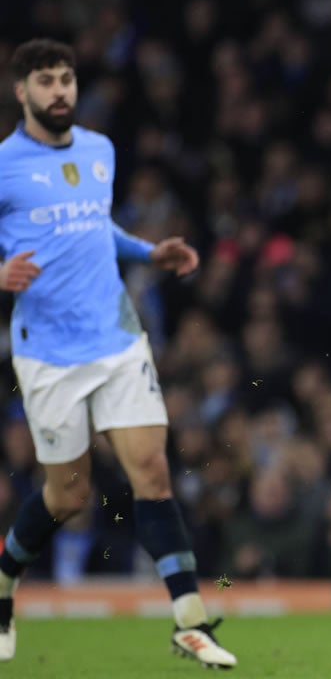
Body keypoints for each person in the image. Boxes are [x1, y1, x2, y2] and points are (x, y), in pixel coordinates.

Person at [0, 39, 235, 667]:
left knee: (152, 471)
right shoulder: (4, 165)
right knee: (67, 497)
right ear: (21, 92)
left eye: (67, 79)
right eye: (45, 81)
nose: (59, 92)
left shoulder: (100, 150)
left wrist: (146, 250)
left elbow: (90, 226)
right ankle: (2, 587)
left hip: (117, 337)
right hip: (48, 352)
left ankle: (189, 621)